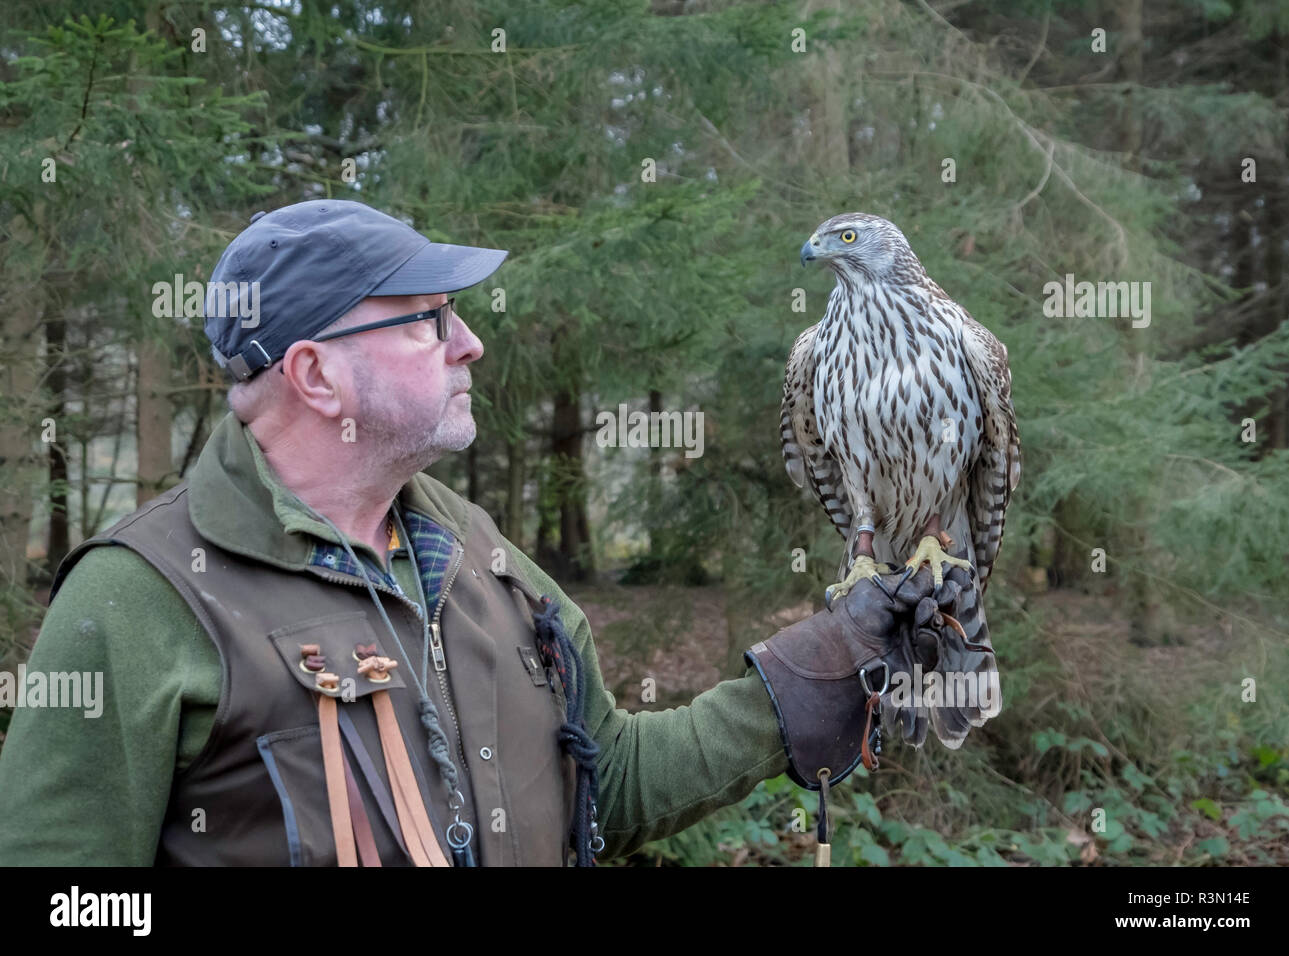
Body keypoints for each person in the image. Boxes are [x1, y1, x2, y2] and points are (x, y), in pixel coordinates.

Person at [0, 199, 983, 866]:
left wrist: (812, 671)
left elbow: (610, 781)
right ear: (315, 375)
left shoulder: (478, 555)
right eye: (428, 320)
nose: (469, 341)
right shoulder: (140, 599)